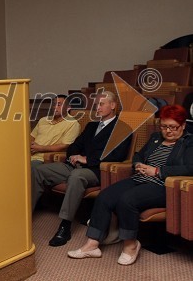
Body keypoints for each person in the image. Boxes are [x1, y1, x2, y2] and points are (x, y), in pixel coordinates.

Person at [68, 105, 193, 265]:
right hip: (140, 178)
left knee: (127, 200)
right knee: (105, 196)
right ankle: (92, 245)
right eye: (164, 126)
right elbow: (138, 154)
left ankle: (131, 245)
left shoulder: (189, 142)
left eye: (173, 127)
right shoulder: (155, 137)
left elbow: (190, 167)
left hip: (164, 185)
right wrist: (138, 164)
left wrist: (156, 171)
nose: (168, 131)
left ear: (182, 126)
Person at [32, 91, 132, 247]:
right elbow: (74, 145)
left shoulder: (123, 128)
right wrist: (74, 155)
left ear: (113, 106)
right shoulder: (92, 126)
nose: (97, 108)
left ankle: (65, 225)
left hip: (96, 170)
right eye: (96, 105)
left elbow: (117, 155)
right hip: (74, 165)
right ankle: (26, 216)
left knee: (77, 176)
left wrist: (87, 159)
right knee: (38, 171)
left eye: (101, 104)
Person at [31, 94, 81, 172]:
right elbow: (31, 137)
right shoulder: (43, 120)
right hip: (29, 155)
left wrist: (40, 148)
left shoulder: (73, 123)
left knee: (29, 168)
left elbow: (64, 146)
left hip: (44, 159)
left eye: (59, 104)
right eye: (54, 104)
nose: (55, 107)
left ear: (68, 107)